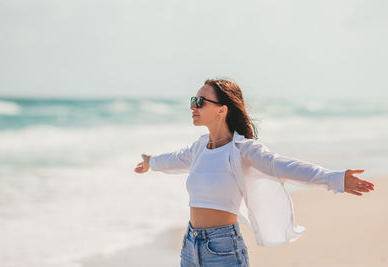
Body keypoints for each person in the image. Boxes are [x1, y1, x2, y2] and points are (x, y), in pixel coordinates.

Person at [134, 78, 375, 267]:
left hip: (222, 247)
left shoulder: (243, 150)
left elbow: (285, 166)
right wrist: (149, 162)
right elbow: (172, 160)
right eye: (193, 100)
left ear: (221, 110)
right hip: (190, 244)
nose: (192, 106)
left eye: (200, 102)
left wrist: (334, 178)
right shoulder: (199, 148)